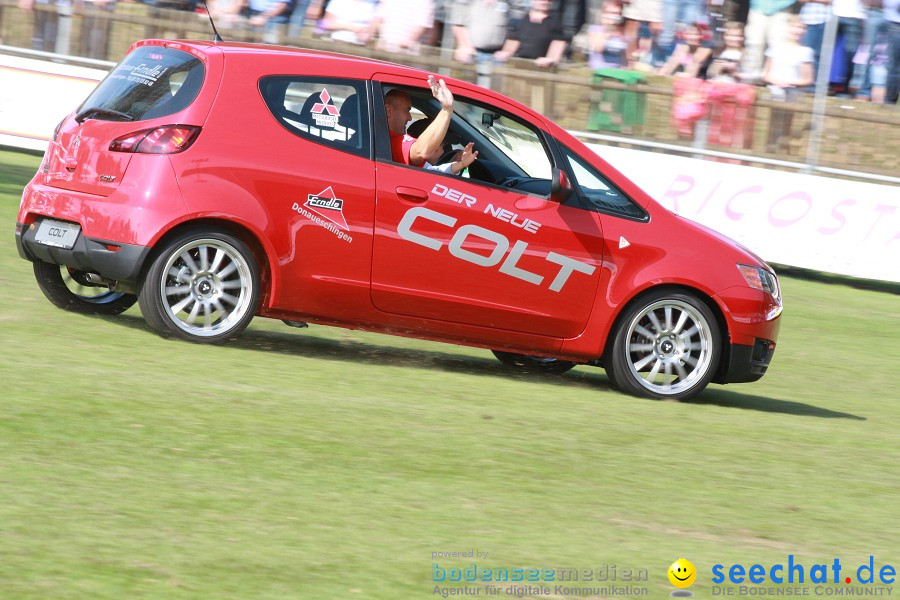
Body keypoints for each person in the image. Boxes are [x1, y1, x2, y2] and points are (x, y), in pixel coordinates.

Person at [384, 75, 457, 167]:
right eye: (407, 110)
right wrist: (447, 110)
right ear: (388, 110)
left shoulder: (381, 138)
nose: (410, 117)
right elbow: (421, 152)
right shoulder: (391, 141)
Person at [494, 0, 568, 67]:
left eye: (548, 0)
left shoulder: (555, 20)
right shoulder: (522, 18)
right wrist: (506, 53)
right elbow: (513, 40)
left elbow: (558, 42)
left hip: (542, 69)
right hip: (518, 65)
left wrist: (551, 59)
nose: (544, 2)